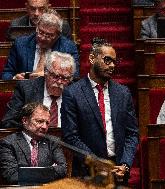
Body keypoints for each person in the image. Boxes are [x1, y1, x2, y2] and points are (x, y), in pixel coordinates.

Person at [60, 38, 139, 185]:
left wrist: (125, 164)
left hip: (117, 171)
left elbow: (132, 133)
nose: (112, 66)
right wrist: (96, 162)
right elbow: (70, 136)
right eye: (107, 60)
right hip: (87, 171)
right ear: (92, 58)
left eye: (114, 62)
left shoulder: (123, 93)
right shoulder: (73, 93)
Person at [1, 51, 75, 128]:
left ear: (70, 78)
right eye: (55, 76)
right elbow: (8, 122)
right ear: (46, 73)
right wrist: (30, 129)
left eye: (65, 78)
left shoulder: (76, 92)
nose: (60, 82)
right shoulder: (26, 89)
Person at [2, 9, 79, 80]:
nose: (42, 38)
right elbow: (6, 74)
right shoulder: (21, 44)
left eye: (49, 35)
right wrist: (14, 78)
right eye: (41, 32)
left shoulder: (68, 48)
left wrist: (47, 76)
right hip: (25, 91)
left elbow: (74, 78)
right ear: (37, 28)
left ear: (58, 35)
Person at [0, 102, 67, 184]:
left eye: (47, 123)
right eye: (40, 121)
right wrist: (49, 171)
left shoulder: (53, 142)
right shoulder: (8, 143)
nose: (44, 127)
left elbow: (63, 170)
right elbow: (12, 176)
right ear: (25, 120)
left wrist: (26, 174)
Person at [6, 0, 71, 40]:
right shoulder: (16, 25)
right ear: (27, 8)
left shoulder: (62, 26)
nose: (36, 14)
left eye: (41, 9)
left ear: (48, 7)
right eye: (32, 9)